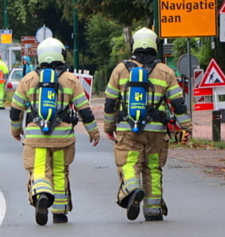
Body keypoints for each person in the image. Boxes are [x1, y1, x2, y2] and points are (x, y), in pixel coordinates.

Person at [103, 27, 193, 221]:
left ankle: (134, 188)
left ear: (134, 44)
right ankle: (153, 211)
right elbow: (178, 104)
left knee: (129, 163)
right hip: (156, 132)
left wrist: (109, 127)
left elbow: (110, 102)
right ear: (155, 45)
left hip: (129, 130)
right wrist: (187, 128)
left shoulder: (120, 70)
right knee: (153, 167)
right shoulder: (165, 71)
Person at [10, 38, 100, 225]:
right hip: (62, 138)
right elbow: (84, 110)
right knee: (59, 171)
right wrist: (93, 133)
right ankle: (60, 212)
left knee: (39, 170)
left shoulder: (28, 79)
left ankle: (42, 193)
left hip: (36, 137)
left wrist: (16, 130)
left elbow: (15, 109)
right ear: (61, 54)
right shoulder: (70, 79)